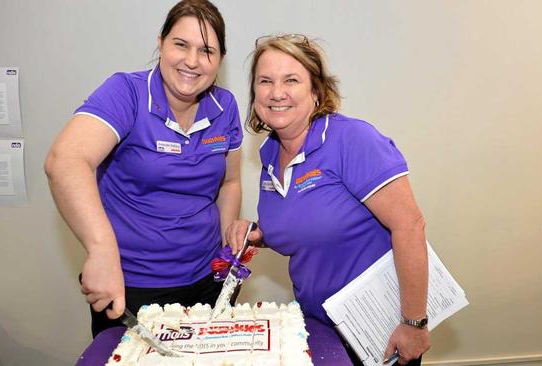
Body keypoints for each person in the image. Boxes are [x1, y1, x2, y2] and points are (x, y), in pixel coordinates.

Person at [225, 34, 430, 365]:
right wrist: (258, 233)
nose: (276, 92)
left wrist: (414, 324)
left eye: (291, 80)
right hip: (318, 329)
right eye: (265, 81)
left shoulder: (351, 140)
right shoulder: (270, 156)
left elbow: (410, 225)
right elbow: (305, 225)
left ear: (316, 91)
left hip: (381, 331)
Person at [44, 0, 242, 337]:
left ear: (219, 59)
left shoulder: (225, 107)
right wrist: (101, 250)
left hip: (208, 283)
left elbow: (230, 182)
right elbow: (65, 161)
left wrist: (227, 261)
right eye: (181, 44)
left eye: (206, 50)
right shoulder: (126, 93)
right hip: (133, 288)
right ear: (161, 43)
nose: (192, 61)